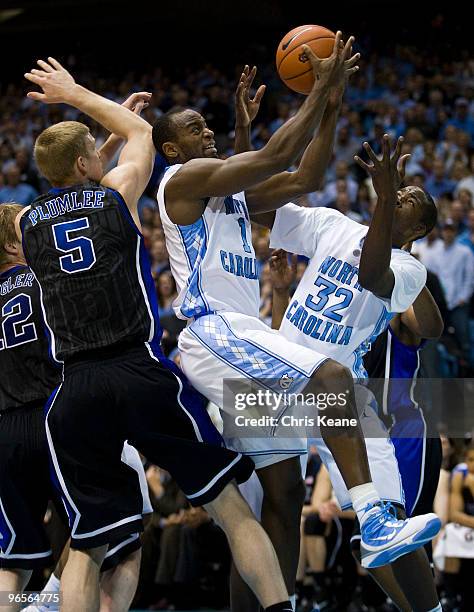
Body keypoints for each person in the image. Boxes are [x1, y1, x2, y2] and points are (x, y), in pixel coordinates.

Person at [154, 37, 439, 612]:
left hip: (281, 362)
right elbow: (268, 161)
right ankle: (375, 522)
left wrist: (330, 98)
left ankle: (307, 591)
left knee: (280, 500)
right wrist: (321, 88)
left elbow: (303, 175)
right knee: (329, 379)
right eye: (194, 127)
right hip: (223, 335)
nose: (206, 131)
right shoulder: (179, 184)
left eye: (208, 128)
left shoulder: (404, 262)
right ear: (168, 147)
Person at [19, 58, 296, 612]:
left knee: (89, 545)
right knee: (232, 509)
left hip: (73, 388)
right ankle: (280, 607)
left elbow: (77, 176)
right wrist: (77, 94)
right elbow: (141, 136)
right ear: (87, 161)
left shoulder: (27, 226)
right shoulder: (115, 195)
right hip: (139, 371)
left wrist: (96, 143)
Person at [254, 127, 442, 612]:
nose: (400, 194)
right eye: (397, 191)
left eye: (409, 199)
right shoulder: (333, 225)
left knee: (386, 526)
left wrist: (382, 204)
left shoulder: (409, 268)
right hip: (279, 381)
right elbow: (258, 205)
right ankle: (282, 602)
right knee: (273, 515)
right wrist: (245, 135)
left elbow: (370, 274)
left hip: (341, 393)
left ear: (418, 231)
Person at [0, 202, 154, 612]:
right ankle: (53, 604)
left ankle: (37, 603)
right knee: (113, 539)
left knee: (15, 561)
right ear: (16, 245)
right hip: (60, 417)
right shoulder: (45, 279)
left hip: (6, 430)